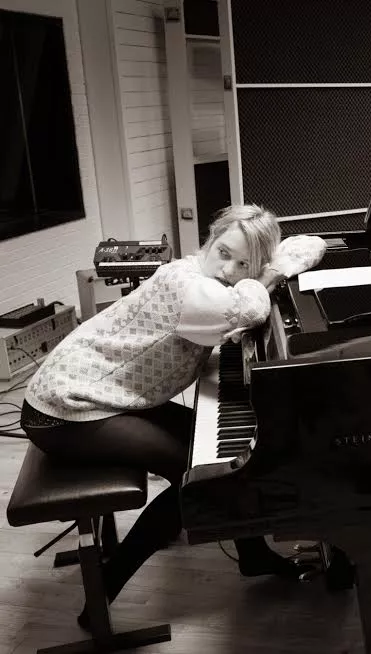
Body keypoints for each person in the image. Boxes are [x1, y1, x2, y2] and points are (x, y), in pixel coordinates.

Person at [20, 204, 328, 630]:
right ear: (209, 239)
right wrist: (267, 273)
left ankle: (252, 553)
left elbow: (312, 242)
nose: (228, 270)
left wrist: (270, 265)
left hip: (104, 396)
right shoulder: (185, 285)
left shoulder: (207, 280)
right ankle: (103, 593)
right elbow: (252, 310)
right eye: (223, 253)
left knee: (216, 459)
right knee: (198, 478)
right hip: (64, 410)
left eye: (243, 264)